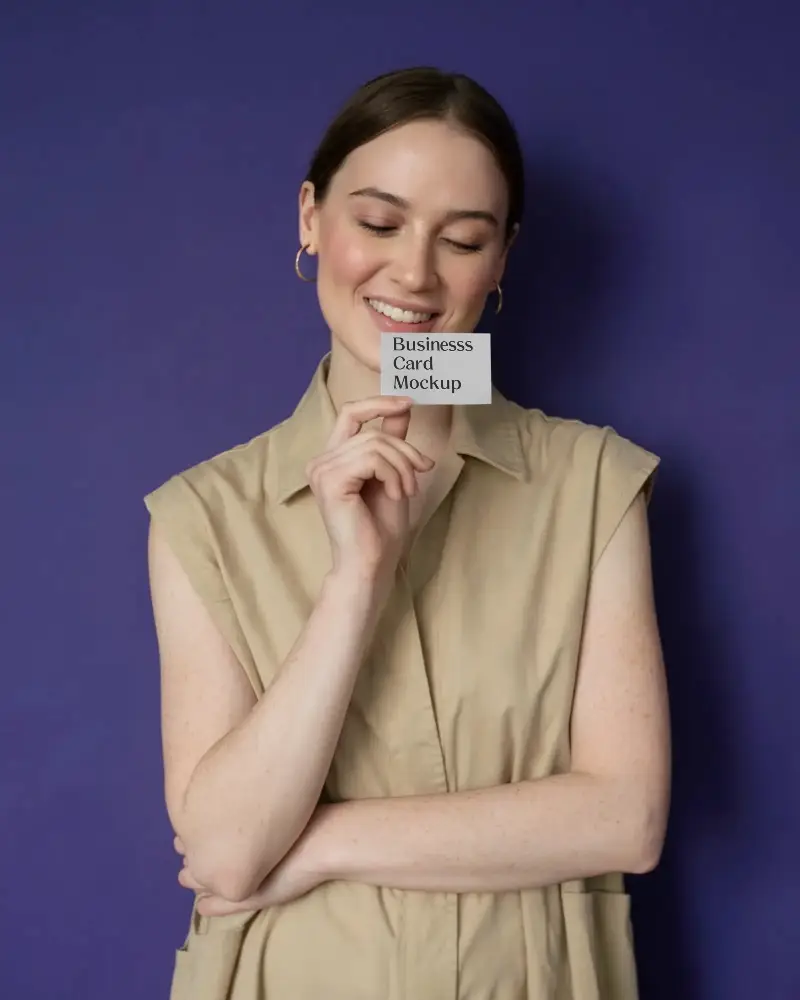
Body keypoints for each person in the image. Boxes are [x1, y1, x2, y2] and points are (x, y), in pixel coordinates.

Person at [144, 66, 671, 1000]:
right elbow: (223, 853)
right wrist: (356, 580)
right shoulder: (203, 515)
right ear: (311, 218)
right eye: (379, 223)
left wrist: (315, 845)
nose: (416, 273)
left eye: (462, 239)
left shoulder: (595, 483)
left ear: (501, 260)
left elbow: (627, 820)